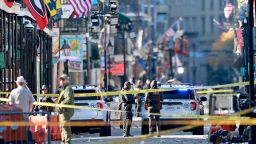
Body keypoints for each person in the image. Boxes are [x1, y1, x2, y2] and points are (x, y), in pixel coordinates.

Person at [9, 76, 35, 143]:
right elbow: (32, 102)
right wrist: (29, 112)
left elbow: (10, 104)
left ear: (17, 83)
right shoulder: (28, 92)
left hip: (16, 116)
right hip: (25, 115)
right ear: (23, 83)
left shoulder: (13, 92)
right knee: (25, 133)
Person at [56, 74, 74, 144]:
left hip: (65, 111)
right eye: (60, 80)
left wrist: (61, 104)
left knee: (65, 128)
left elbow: (68, 99)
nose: (61, 81)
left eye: (62, 80)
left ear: (66, 81)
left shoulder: (68, 88)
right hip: (62, 111)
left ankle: (67, 142)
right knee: (62, 127)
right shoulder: (64, 89)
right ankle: (64, 142)